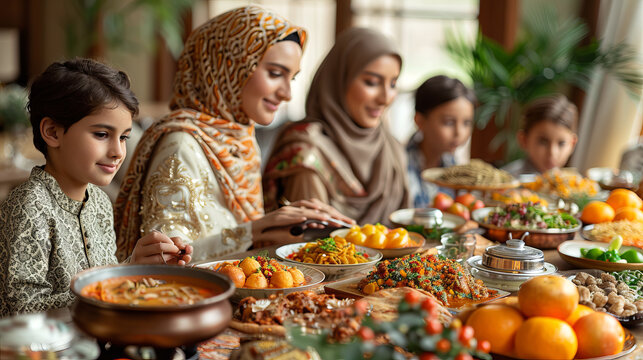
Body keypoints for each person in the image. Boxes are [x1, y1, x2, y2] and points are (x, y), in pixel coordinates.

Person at [114, 6, 353, 263]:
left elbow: (235, 234)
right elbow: (167, 259)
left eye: (291, 78)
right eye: (275, 74)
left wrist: (280, 225)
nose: (287, 93)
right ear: (227, 66)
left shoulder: (239, 137)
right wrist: (255, 231)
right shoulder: (181, 144)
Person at [0, 58, 192, 317]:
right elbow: (23, 310)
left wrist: (135, 268)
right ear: (53, 132)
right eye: (102, 135)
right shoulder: (29, 207)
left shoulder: (100, 203)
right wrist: (117, 279)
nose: (117, 151)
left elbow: (105, 289)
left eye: (123, 137)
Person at [263, 28, 409, 225]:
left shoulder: (391, 148)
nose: (385, 98)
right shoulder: (306, 151)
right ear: (339, 81)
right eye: (372, 82)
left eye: (392, 84)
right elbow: (307, 248)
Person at [406, 75, 476, 208]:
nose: (459, 132)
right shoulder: (400, 165)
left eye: (466, 123)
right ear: (420, 121)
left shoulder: (452, 165)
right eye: (449, 122)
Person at [502, 95, 578, 177]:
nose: (552, 153)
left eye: (561, 143)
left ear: (572, 144)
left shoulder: (574, 184)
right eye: (543, 142)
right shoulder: (506, 182)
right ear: (523, 140)